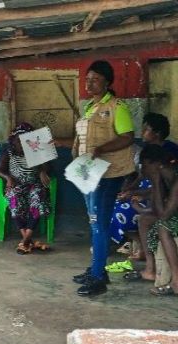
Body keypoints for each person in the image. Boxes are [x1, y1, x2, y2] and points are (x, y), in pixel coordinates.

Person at [72, 60, 135, 296]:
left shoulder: (117, 107)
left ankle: (98, 278)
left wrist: (102, 149)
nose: (89, 83)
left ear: (107, 82)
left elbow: (128, 137)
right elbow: (85, 140)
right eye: (87, 79)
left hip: (108, 174)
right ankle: (97, 268)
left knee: (99, 224)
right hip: (89, 173)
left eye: (95, 79)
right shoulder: (89, 107)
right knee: (94, 222)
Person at [124, 145, 178, 294]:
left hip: (172, 216)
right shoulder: (162, 178)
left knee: (163, 227)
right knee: (144, 220)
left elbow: (163, 215)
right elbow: (156, 209)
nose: (142, 170)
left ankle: (177, 281)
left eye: (145, 165)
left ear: (155, 164)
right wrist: (155, 184)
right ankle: (150, 269)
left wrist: (155, 182)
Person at [0, 123, 51, 255]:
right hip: (16, 184)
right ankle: (28, 240)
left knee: (38, 198)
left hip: (33, 185)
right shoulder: (8, 153)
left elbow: (46, 168)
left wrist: (42, 171)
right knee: (14, 197)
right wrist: (8, 178)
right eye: (18, 139)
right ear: (13, 141)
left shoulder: (36, 151)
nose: (22, 142)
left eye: (25, 139)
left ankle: (25, 241)